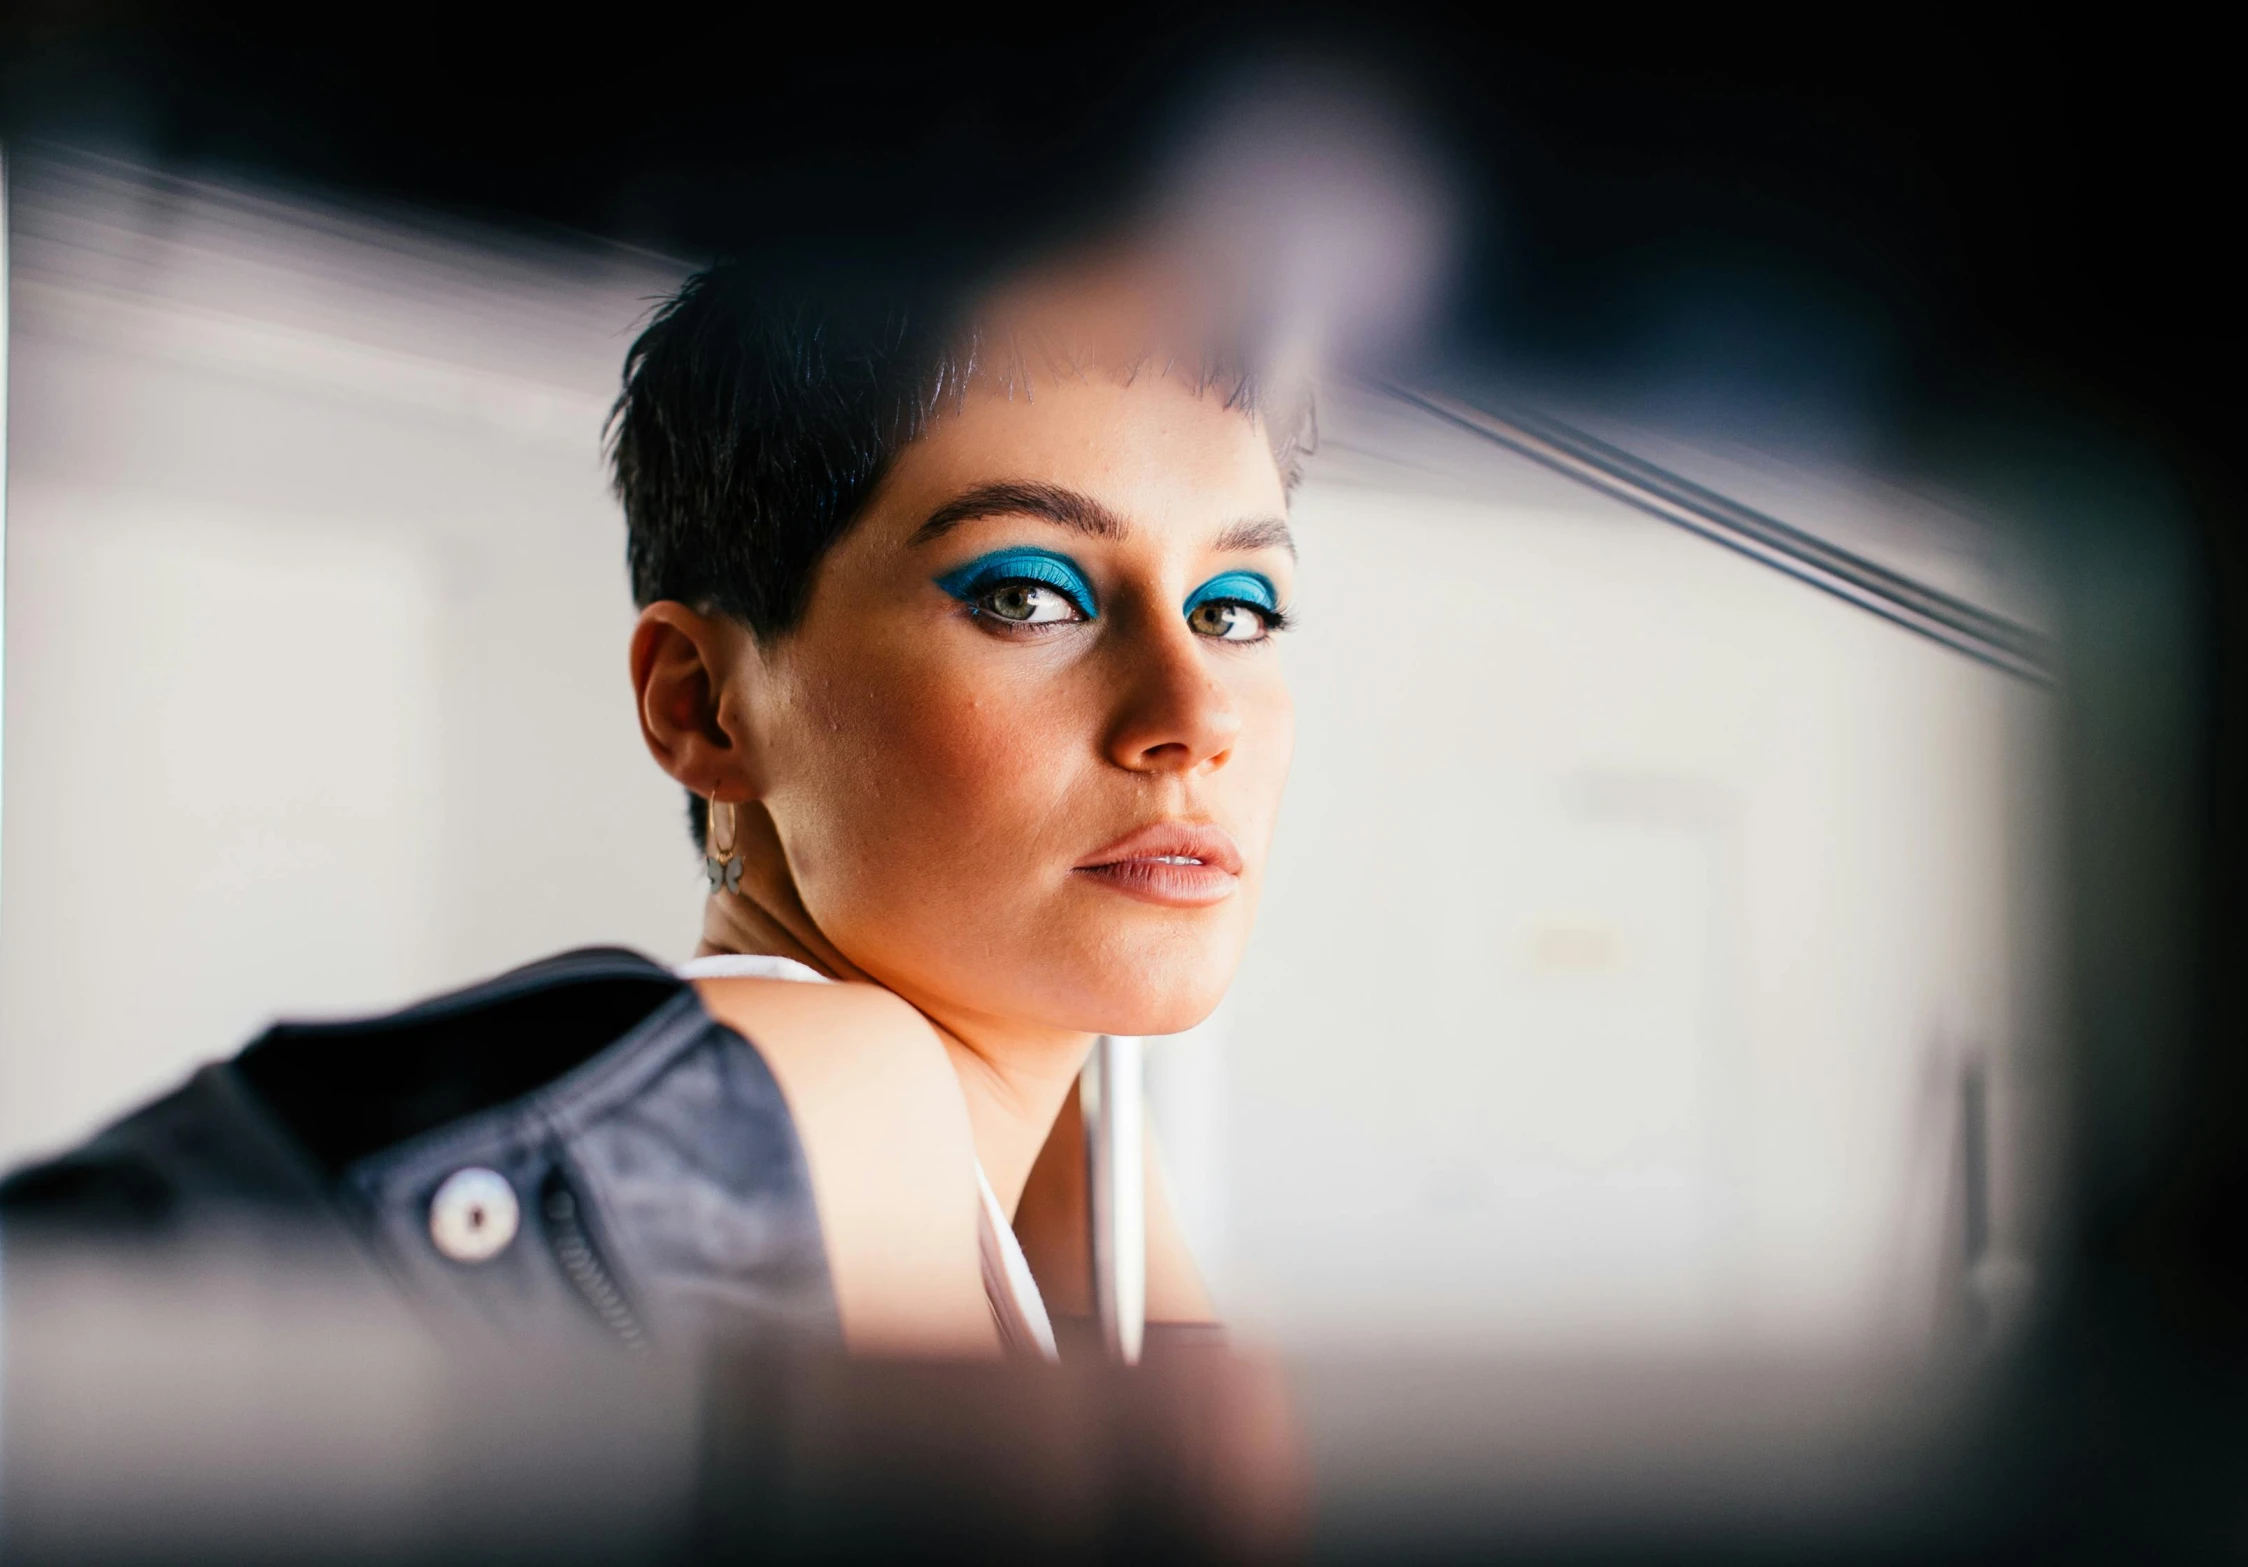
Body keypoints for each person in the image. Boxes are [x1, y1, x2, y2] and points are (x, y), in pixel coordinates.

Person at [0, 247, 1309, 1367]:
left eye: (1235, 608)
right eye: (1027, 595)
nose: (1192, 716)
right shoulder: (845, 1079)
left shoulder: (1060, 1183)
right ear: (702, 704)